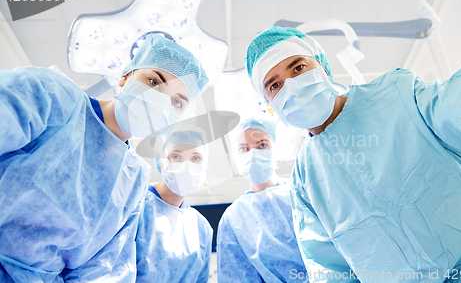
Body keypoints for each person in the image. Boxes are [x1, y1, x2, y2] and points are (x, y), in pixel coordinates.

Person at [244, 26, 461, 282]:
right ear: (270, 103)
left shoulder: (397, 95)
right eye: (274, 85)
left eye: (298, 68)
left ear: (322, 66)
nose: (292, 87)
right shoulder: (305, 180)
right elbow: (329, 270)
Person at [0, 33, 209, 282]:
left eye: (176, 102)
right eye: (154, 82)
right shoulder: (52, 95)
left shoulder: (133, 179)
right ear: (124, 78)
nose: (161, 102)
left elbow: (103, 268)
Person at [217, 115, 308, 283]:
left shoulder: (302, 194)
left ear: (276, 148)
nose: (253, 154)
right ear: (235, 156)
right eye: (244, 149)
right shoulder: (233, 218)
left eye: (262, 145)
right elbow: (236, 276)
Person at [135, 127, 213, 283]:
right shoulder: (136, 209)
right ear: (161, 162)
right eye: (176, 156)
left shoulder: (201, 228)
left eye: (196, 158)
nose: (186, 166)